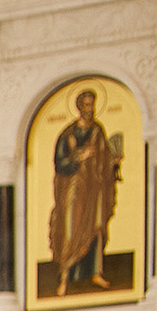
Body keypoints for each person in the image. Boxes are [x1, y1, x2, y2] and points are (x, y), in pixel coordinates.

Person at [50, 89, 119, 293]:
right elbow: (60, 164)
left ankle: (96, 273)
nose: (90, 109)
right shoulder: (67, 134)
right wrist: (80, 156)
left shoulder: (98, 130)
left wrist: (112, 162)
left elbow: (104, 157)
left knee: (96, 228)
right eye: (87, 105)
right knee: (71, 229)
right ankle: (64, 276)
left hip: (94, 187)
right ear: (79, 107)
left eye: (92, 105)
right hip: (73, 187)